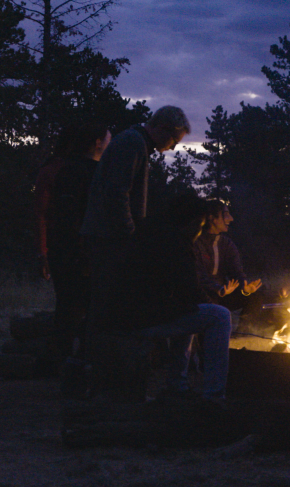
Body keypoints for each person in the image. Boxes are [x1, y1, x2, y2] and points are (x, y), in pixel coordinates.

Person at [80, 106, 190, 344]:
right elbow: (117, 193)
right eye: (173, 140)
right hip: (108, 238)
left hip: (110, 236)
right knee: (105, 301)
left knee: (108, 301)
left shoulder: (134, 142)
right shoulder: (132, 143)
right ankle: (91, 363)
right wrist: (130, 234)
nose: (172, 147)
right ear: (161, 128)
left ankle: (98, 360)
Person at [113, 193, 232, 402]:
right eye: (201, 224)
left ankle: (177, 385)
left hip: (132, 313)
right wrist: (209, 302)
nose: (200, 230)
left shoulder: (152, 233)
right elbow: (190, 288)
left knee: (188, 311)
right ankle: (214, 396)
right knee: (219, 316)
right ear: (192, 221)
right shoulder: (177, 244)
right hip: (142, 319)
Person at [45, 122, 111, 359]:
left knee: (70, 308)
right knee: (78, 309)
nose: (110, 144)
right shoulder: (83, 172)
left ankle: (67, 363)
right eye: (108, 139)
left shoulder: (71, 169)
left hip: (69, 251)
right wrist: (83, 252)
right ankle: (73, 364)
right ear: (97, 142)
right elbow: (68, 215)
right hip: (78, 253)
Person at [193, 200, 262, 319]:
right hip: (202, 294)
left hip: (223, 292)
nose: (231, 219)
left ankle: (243, 335)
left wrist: (244, 288)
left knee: (254, 297)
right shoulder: (196, 242)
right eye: (225, 215)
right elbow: (198, 275)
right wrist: (218, 289)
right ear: (212, 218)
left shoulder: (226, 244)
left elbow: (236, 272)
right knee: (209, 302)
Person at [33, 127, 76, 281]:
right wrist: (43, 253)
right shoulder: (54, 170)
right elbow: (41, 213)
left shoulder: (53, 169)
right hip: (62, 245)